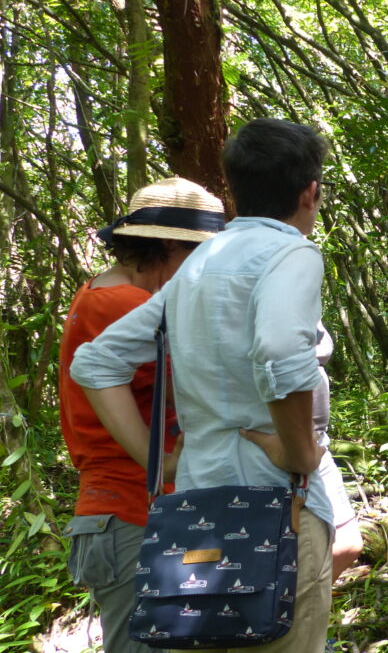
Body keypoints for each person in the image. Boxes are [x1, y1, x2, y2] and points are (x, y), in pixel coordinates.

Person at [72, 118, 335, 653]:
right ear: (310, 193)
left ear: (236, 190)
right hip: (276, 507)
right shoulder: (292, 253)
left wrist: (164, 462)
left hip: (199, 511)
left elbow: (96, 365)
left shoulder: (195, 267)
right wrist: (301, 451)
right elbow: (283, 353)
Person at [59, 177, 224, 653]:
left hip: (123, 511)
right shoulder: (127, 305)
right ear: (170, 244)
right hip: (134, 511)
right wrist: (163, 464)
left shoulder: (96, 291)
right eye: (197, 252)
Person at [313, 323, 364, 580]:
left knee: (346, 544)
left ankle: (297, 615)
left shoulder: (298, 286)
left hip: (316, 443)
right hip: (281, 444)